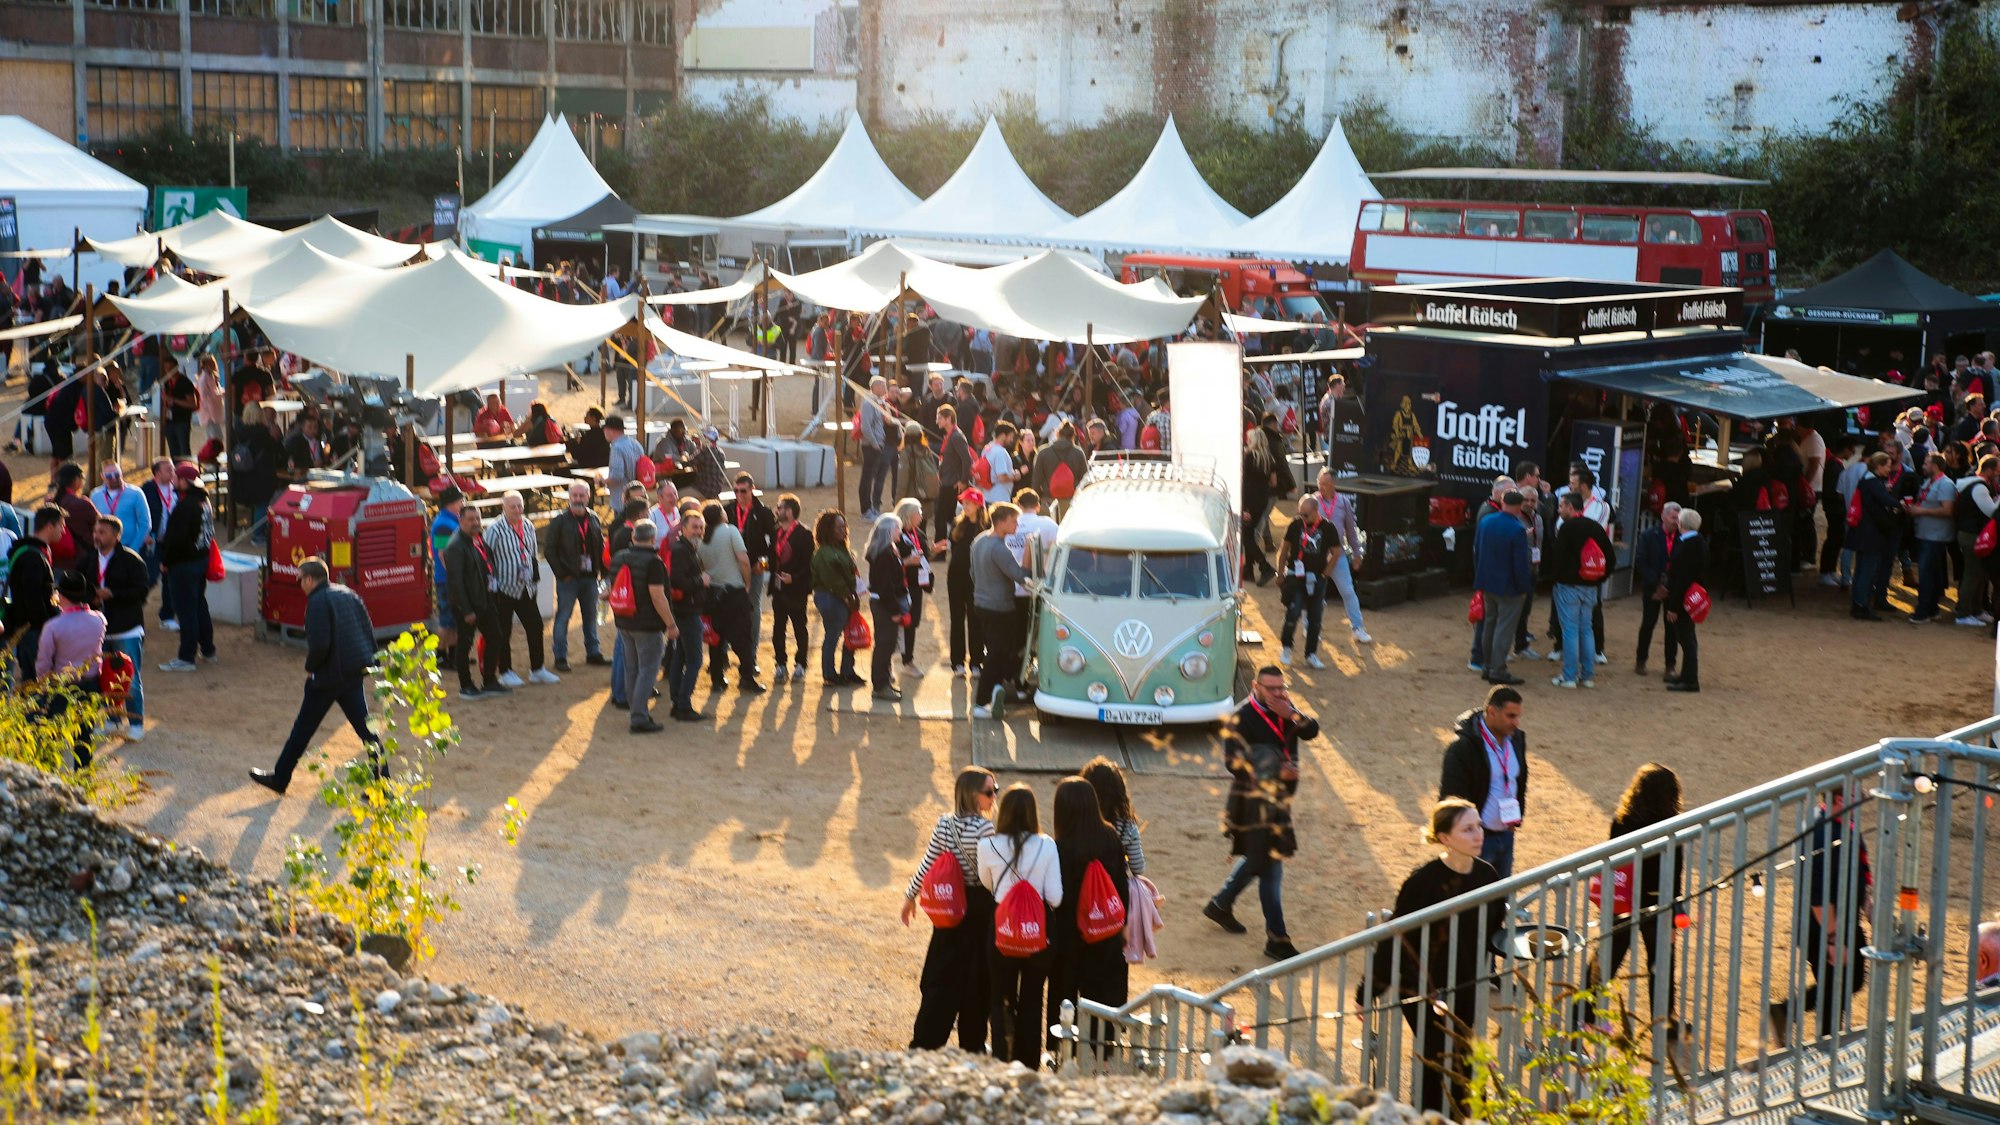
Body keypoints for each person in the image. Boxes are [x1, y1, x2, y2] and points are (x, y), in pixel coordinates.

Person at [1360, 798, 1508, 1118]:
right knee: (1440, 1062)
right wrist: (1367, 991)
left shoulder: (1487, 875)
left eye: (1479, 826)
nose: (1478, 834)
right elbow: (1395, 937)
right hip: (1421, 989)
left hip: (1465, 985)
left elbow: (1494, 929)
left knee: (1462, 1060)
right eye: (1467, 829)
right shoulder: (1422, 882)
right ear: (1445, 838)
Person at [1204, 664, 1319, 960]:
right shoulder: (1240, 717)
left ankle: (1220, 904)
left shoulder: (1285, 709)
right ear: (1256, 687)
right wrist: (1276, 772)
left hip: (1278, 802)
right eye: (1272, 689)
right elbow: (1233, 763)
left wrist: (1292, 715)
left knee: (1259, 858)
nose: (1279, 693)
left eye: (1282, 688)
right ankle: (1276, 938)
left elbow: (1312, 732)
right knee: (1271, 865)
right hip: (1253, 804)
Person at [248, 557, 386, 794]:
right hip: (353, 672)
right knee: (367, 731)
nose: (299, 583)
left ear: (310, 579)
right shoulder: (348, 594)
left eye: (300, 579)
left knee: (302, 730)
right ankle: (383, 785)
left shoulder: (317, 603)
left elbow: (321, 644)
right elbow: (366, 629)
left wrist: (311, 667)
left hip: (328, 676)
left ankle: (280, 779)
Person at [1578, 764, 1685, 1028]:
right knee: (1661, 964)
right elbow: (1674, 875)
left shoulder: (1622, 821)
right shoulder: (1672, 826)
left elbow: (1613, 862)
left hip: (1622, 899)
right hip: (1657, 902)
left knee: (1607, 957)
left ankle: (1583, 1011)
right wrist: (1676, 914)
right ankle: (1663, 1021)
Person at [903, 766, 999, 1052]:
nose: (994, 796)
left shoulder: (944, 823)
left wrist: (910, 895)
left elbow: (928, 862)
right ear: (973, 795)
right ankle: (972, 1044)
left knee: (942, 977)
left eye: (995, 790)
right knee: (976, 981)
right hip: (978, 909)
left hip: (950, 906)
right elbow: (989, 875)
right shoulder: (984, 829)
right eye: (989, 791)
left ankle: (925, 1042)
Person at [1767, 791, 1872, 1050]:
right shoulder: (1820, 833)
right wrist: (1833, 940)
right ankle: (1826, 1045)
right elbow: (1817, 898)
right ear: (1840, 798)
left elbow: (1863, 875)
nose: (1864, 795)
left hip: (1846, 922)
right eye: (1857, 792)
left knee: (1848, 982)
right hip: (1822, 927)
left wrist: (1871, 911)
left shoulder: (1847, 825)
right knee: (1836, 989)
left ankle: (1786, 1012)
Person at [976, 783, 1063, 1068]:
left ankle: (1002, 1056)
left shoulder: (987, 845)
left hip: (1003, 926)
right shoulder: (1047, 845)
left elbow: (988, 885)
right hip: (1038, 929)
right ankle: (1028, 1063)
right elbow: (1055, 897)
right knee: (1033, 996)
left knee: (1000, 994)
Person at [1048, 775, 1132, 1043]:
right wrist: (1124, 925)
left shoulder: (1058, 847)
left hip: (1069, 934)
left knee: (1064, 991)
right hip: (1106, 930)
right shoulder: (1110, 837)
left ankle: (1064, 1049)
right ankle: (1106, 1051)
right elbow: (1122, 886)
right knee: (1105, 992)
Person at [1437, 684, 1528, 877]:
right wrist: (1466, 834)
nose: (1516, 722)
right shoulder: (1462, 748)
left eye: (1518, 716)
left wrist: (1515, 820)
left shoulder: (1516, 739)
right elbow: (1451, 797)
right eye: (1511, 716)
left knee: (1503, 890)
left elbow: (1519, 781)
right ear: (1492, 712)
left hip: (1506, 834)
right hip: (1476, 840)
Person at [76, 514, 149, 739]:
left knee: (130, 678)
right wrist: (91, 596)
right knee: (103, 677)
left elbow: (141, 592)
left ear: (116, 536)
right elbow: (77, 586)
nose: (96, 536)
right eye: (95, 531)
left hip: (127, 628)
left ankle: (136, 724)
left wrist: (113, 594)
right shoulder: (88, 559)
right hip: (98, 629)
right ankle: (112, 720)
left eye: (102, 532)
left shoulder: (131, 560)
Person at [482, 491, 559, 688]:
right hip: (504, 588)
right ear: (503, 508)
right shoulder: (495, 530)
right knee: (503, 631)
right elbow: (486, 558)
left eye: (519, 506)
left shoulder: (528, 525)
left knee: (535, 626)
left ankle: (537, 669)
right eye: (512, 507)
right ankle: (505, 671)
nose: (517, 510)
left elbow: (531, 553)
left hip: (526, 587)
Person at [608, 518, 677, 733]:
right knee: (647, 670)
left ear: (633, 536)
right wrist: (671, 624)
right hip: (647, 625)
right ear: (653, 538)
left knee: (632, 668)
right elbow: (658, 597)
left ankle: (635, 711)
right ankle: (638, 717)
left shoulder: (619, 557)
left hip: (624, 621)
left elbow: (614, 587)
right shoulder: (654, 562)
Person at [1548, 491, 1614, 688]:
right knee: (1586, 629)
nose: (1559, 510)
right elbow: (1610, 557)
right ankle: (1586, 675)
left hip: (1568, 586)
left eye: (1561, 506)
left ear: (1570, 507)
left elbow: (1557, 558)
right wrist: (1599, 579)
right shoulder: (1595, 527)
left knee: (1570, 630)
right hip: (1590, 586)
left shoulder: (1567, 527)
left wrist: (1554, 579)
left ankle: (1569, 676)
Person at [971, 502, 1030, 719]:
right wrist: (1029, 553)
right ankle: (981, 702)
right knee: (996, 655)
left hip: (982, 605)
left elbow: (972, 573)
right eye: (1013, 521)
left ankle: (995, 693)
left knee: (997, 652)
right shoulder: (999, 549)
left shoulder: (979, 541)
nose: (1017, 525)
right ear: (1001, 522)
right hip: (999, 609)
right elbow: (1020, 576)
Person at [155, 468, 216, 672]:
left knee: (186, 611)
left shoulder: (186, 506)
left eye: (176, 477)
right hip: (200, 560)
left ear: (184, 481)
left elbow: (176, 540)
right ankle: (208, 650)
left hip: (183, 565)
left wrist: (166, 561)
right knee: (199, 605)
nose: (173, 480)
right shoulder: (204, 501)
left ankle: (186, 657)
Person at [444, 504, 508, 700]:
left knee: (495, 636)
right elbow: (456, 582)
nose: (475, 523)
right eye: (470, 519)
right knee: (464, 644)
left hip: (485, 600)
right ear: (461, 520)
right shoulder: (455, 546)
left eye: (477, 519)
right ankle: (466, 685)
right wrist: (466, 610)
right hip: (467, 605)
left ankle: (489, 680)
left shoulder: (478, 539)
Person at [699, 499, 762, 694]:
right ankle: (746, 676)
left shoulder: (702, 538)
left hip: (712, 593)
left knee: (716, 639)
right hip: (733, 591)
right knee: (742, 637)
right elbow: (743, 559)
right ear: (721, 515)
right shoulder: (730, 531)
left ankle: (717, 679)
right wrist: (747, 582)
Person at [543, 481, 606, 673]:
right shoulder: (560, 521)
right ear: (569, 497)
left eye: (582, 495)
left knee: (591, 616)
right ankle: (560, 656)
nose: (578, 499)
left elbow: (600, 546)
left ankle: (593, 652)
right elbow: (549, 550)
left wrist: (603, 572)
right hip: (568, 579)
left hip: (590, 578)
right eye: (575, 495)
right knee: (563, 617)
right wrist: (563, 574)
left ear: (588, 497)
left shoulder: (594, 518)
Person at [1472, 491, 1533, 685]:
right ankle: (1498, 670)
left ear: (1503, 502)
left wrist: (1480, 578)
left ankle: (1487, 666)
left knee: (1489, 624)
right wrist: (1524, 588)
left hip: (1487, 583)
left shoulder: (1486, 521)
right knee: (1504, 629)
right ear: (1519, 507)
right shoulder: (1517, 529)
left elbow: (1477, 551)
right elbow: (1520, 564)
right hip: (1509, 587)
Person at [1309, 470, 1373, 644]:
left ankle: (1358, 628)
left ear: (1333, 485)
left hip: (1338, 555)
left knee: (1348, 591)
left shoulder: (1343, 502)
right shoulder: (1312, 501)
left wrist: (1357, 553)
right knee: (1313, 593)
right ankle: (1311, 628)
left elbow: (1351, 531)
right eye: (1319, 483)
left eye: (1325, 484)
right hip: (1316, 555)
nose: (1321, 487)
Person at [4, 506, 64, 676]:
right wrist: (48, 626)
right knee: (37, 685)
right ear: (49, 526)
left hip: (30, 630)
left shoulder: (30, 551)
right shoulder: (33, 556)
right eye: (61, 526)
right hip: (35, 632)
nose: (63, 531)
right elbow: (33, 598)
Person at [720, 473, 776, 652]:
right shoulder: (727, 511)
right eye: (735, 491)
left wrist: (764, 564)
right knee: (727, 608)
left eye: (743, 491)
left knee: (752, 607)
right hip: (730, 569)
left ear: (752, 489)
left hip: (754, 569)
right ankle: (723, 652)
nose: (739, 495)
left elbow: (774, 544)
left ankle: (752, 652)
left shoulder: (764, 512)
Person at [663, 510, 710, 721]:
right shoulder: (682, 550)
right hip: (687, 612)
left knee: (680, 657)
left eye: (701, 528)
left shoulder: (686, 548)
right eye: (694, 527)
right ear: (683, 528)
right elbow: (677, 581)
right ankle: (683, 704)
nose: (698, 531)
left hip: (685, 610)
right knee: (694, 660)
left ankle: (677, 702)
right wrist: (701, 581)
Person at [810, 509, 862, 688]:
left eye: (844, 526)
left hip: (840, 596)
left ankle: (846, 671)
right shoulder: (825, 553)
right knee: (833, 635)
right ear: (828, 530)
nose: (843, 530)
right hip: (831, 597)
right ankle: (830, 674)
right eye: (838, 527)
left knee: (846, 634)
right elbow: (832, 579)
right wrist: (847, 597)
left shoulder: (839, 549)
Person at [891, 498, 939, 678]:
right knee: (896, 624)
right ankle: (893, 662)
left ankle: (907, 661)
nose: (921, 516)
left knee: (912, 623)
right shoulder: (896, 534)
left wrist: (933, 551)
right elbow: (889, 562)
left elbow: (923, 557)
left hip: (917, 585)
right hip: (900, 586)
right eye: (918, 513)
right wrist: (907, 562)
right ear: (908, 516)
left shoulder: (918, 533)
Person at [1906, 451, 1957, 623]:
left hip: (1936, 536)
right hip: (1925, 533)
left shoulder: (1946, 484)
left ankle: (1923, 611)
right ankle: (1933, 609)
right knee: (1933, 572)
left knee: (1926, 572)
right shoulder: (1929, 481)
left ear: (1935, 466)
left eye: (1926, 463)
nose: (1923, 466)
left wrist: (1920, 511)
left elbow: (1947, 510)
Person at [864, 512, 910, 702]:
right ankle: (880, 685)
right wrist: (895, 611)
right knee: (884, 644)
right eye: (897, 528)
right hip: (885, 605)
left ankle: (883, 683)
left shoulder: (888, 549)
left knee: (887, 644)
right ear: (889, 531)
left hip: (884, 603)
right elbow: (885, 587)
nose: (900, 531)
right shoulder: (884, 554)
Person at [1632, 503, 1682, 678]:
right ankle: (1641, 660)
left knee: (1672, 628)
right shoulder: (1648, 535)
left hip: (1673, 589)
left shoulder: (1682, 538)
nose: (1676, 521)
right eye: (1673, 517)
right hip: (1652, 587)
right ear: (1663, 516)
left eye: (1678, 518)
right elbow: (1641, 561)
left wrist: (1669, 586)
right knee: (1648, 624)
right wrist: (1656, 584)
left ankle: (1670, 665)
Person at [768, 494, 814, 684]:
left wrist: (793, 578)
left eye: (779, 507)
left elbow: (809, 565)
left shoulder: (804, 534)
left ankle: (801, 664)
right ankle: (780, 663)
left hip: (797, 590)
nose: (776, 510)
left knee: (799, 628)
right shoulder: (775, 531)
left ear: (789, 511)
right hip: (778, 589)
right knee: (778, 627)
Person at [1664, 509, 1709, 693]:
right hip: (1692, 597)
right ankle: (1686, 675)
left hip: (1684, 599)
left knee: (1686, 639)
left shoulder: (1687, 546)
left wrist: (1673, 607)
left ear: (1681, 524)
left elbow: (1682, 580)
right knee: (1688, 638)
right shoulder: (1697, 542)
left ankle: (1690, 680)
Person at [945, 492, 988, 678]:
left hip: (977, 579)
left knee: (975, 620)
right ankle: (957, 663)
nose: (965, 506)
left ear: (978, 505)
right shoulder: (957, 523)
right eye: (964, 503)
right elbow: (953, 549)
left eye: (969, 503)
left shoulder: (986, 527)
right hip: (956, 577)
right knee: (956, 619)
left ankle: (976, 662)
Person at [1954, 454, 1999, 626]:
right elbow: (1991, 511)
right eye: (1997, 470)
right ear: (1989, 470)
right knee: (1973, 574)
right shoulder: (1979, 487)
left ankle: (1976, 610)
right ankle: (1963, 614)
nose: (1998, 474)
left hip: (1973, 534)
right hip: (1971, 535)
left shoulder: (1977, 485)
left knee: (1980, 575)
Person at [139, 459, 177, 631]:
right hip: (151, 543)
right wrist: (144, 534)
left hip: (171, 543)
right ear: (157, 473)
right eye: (168, 469)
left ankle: (167, 616)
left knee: (171, 580)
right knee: (150, 577)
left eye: (173, 469)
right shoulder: (146, 490)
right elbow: (138, 514)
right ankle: (134, 610)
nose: (172, 472)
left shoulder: (177, 488)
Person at [428, 486, 464, 666]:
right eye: (460, 501)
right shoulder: (443, 524)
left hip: (451, 578)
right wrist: (455, 576)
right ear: (451, 503)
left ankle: (454, 655)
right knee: (447, 620)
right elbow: (442, 554)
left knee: (454, 619)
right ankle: (441, 655)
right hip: (447, 579)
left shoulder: (450, 520)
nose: (462, 503)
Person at [859, 376, 891, 518]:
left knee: (871, 476)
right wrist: (874, 443)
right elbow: (865, 426)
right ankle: (865, 510)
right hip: (871, 445)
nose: (885, 389)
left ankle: (870, 507)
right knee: (867, 477)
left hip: (877, 444)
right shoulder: (868, 403)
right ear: (875, 387)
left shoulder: (879, 402)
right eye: (883, 386)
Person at [160, 357, 198, 459]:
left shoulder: (185, 382)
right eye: (166, 368)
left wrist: (174, 400)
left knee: (184, 450)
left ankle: (187, 468)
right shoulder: (166, 383)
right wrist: (163, 422)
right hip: (169, 421)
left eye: (170, 368)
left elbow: (193, 404)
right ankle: (176, 468)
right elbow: (164, 403)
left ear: (176, 367)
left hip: (182, 421)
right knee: (173, 451)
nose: (168, 371)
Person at [603, 415, 647, 504]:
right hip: (639, 493)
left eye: (605, 429)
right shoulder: (635, 444)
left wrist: (602, 481)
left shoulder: (616, 447)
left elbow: (617, 476)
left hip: (622, 497)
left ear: (610, 430)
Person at [980, 421, 1019, 505]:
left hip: (987, 496)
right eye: (1010, 436)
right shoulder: (1000, 452)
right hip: (1000, 499)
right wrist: (1015, 476)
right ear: (1003, 435)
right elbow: (1002, 477)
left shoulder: (987, 448)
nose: (1012, 440)